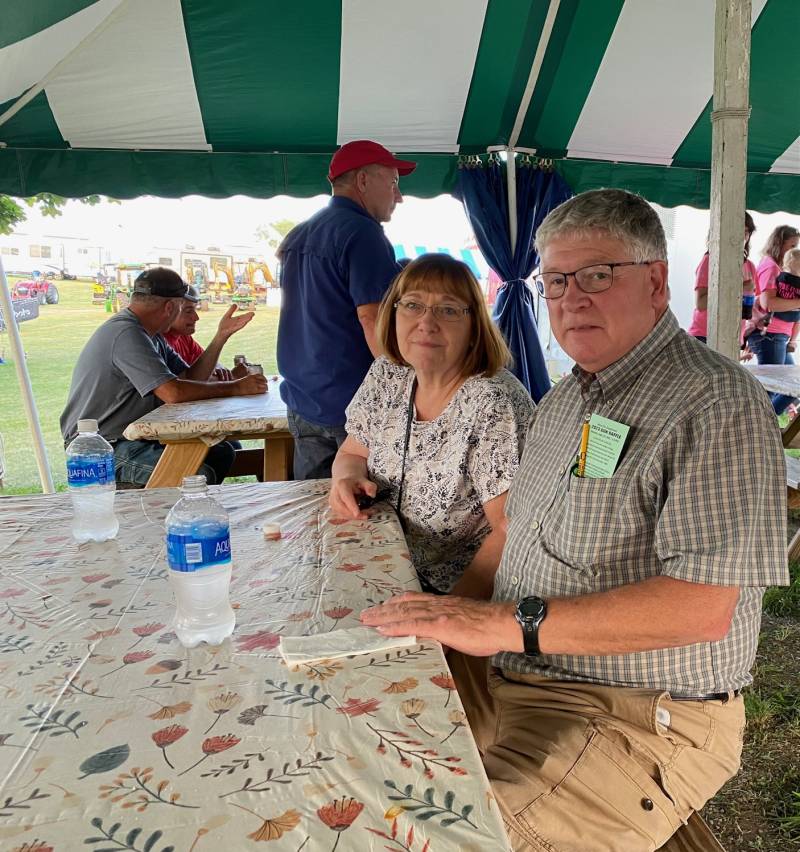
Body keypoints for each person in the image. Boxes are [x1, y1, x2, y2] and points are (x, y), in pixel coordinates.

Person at [361, 189, 788, 852]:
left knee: (433, 840)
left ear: (655, 280)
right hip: (518, 673)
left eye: (597, 275)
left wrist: (495, 624)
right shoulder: (566, 401)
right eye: (555, 280)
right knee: (351, 756)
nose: (571, 298)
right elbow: (519, 539)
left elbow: (703, 609)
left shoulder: (713, 400)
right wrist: (443, 623)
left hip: (630, 710)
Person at [328, 254, 534, 596]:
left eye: (449, 309)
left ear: (474, 329)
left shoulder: (494, 403)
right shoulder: (387, 374)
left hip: (458, 590)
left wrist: (451, 612)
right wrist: (347, 478)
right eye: (412, 305)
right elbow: (352, 451)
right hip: (380, 563)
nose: (426, 321)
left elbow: (512, 529)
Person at [276, 140, 416, 480]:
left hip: (303, 398)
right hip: (353, 404)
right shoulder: (363, 234)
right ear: (364, 181)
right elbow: (373, 320)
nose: (398, 196)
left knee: (312, 508)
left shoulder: (298, 235)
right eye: (394, 183)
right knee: (362, 511)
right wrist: (406, 388)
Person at [61, 267, 267, 487]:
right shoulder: (127, 334)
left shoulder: (151, 336)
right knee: (196, 474)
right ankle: (163, 513)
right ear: (170, 307)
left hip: (130, 438)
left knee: (222, 452)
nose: (193, 316)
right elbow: (173, 393)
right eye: (183, 308)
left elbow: (190, 376)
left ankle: (176, 511)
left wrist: (221, 337)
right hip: (100, 447)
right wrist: (236, 387)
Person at [747, 224, 800, 414]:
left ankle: (764, 421)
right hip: (769, 333)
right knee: (770, 390)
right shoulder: (770, 266)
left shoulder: (785, 271)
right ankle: (759, 422)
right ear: (779, 243)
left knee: (791, 388)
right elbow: (768, 303)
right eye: (792, 245)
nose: (795, 251)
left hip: (779, 336)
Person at [686, 213, 757, 344]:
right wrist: (738, 288)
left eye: (747, 232)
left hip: (733, 338)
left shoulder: (750, 266)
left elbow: (751, 305)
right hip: (705, 335)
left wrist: (756, 323)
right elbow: (701, 303)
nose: (743, 236)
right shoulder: (710, 260)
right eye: (739, 230)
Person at [163, 285, 250, 380]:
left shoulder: (183, 337)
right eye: (188, 311)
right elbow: (185, 384)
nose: (196, 317)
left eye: (195, 310)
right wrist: (232, 377)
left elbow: (207, 363)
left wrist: (219, 368)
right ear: (169, 309)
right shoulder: (160, 342)